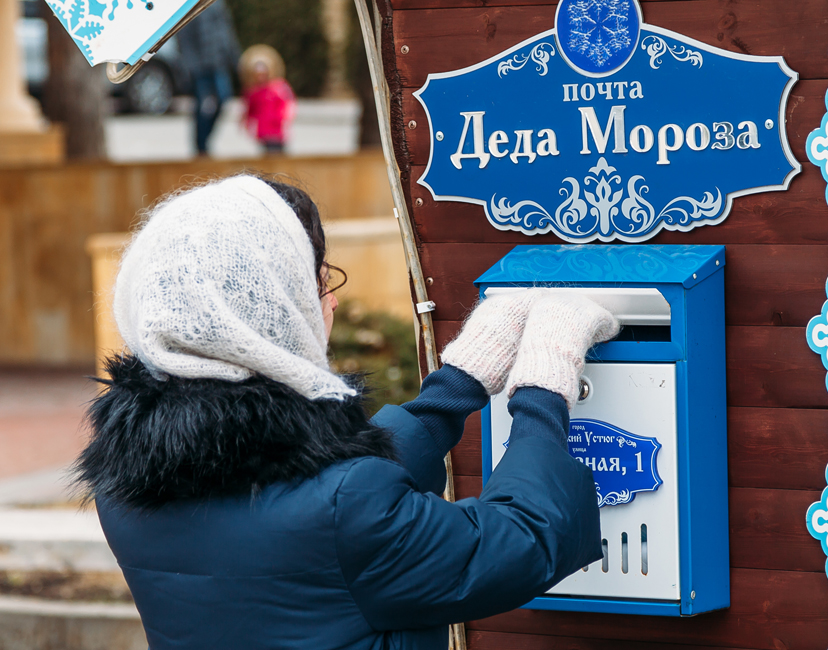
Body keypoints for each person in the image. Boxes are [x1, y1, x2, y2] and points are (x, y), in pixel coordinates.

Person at [74, 175, 620, 650]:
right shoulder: (347, 511)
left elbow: (314, 491)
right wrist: (543, 385)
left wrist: (455, 388)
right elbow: (523, 539)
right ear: (265, 313)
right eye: (314, 284)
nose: (330, 300)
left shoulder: (123, 490)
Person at [176, 1, 242, 156]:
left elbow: (226, 32)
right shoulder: (189, 5)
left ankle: (205, 140)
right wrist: (190, 66)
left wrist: (236, 59)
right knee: (203, 106)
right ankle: (200, 146)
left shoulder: (218, 4)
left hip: (218, 63)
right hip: (199, 67)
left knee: (223, 98)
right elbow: (184, 39)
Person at [239, 45, 295, 155]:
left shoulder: (279, 87)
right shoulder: (253, 91)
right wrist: (245, 122)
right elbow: (250, 110)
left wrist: (285, 117)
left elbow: (288, 104)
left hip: (277, 130)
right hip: (263, 131)